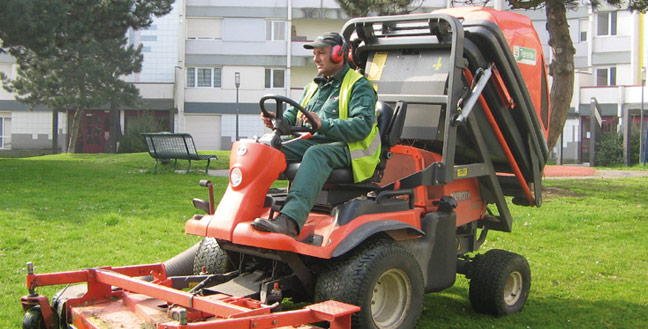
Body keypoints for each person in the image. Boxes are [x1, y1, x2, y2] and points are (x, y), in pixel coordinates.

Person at [251, 32, 380, 238]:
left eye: (321, 53)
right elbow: (294, 116)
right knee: (265, 149)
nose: (316, 58)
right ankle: (247, 209)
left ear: (339, 54)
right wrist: (278, 119)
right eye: (314, 53)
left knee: (316, 153)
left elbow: (361, 126)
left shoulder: (359, 85)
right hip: (316, 142)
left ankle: (290, 221)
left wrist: (323, 123)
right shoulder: (313, 87)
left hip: (351, 148)